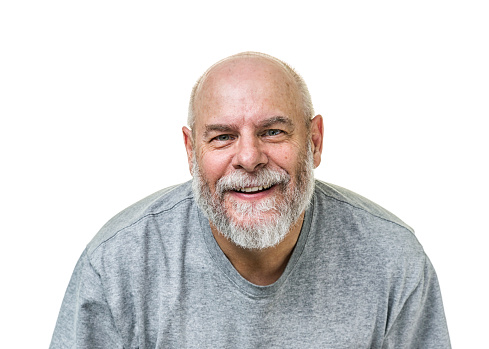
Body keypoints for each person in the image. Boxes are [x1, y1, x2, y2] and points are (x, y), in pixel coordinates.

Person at [50, 52, 451, 348]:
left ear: (314, 142)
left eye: (273, 132)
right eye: (222, 136)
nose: (248, 158)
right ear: (191, 151)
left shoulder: (392, 260)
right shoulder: (117, 266)